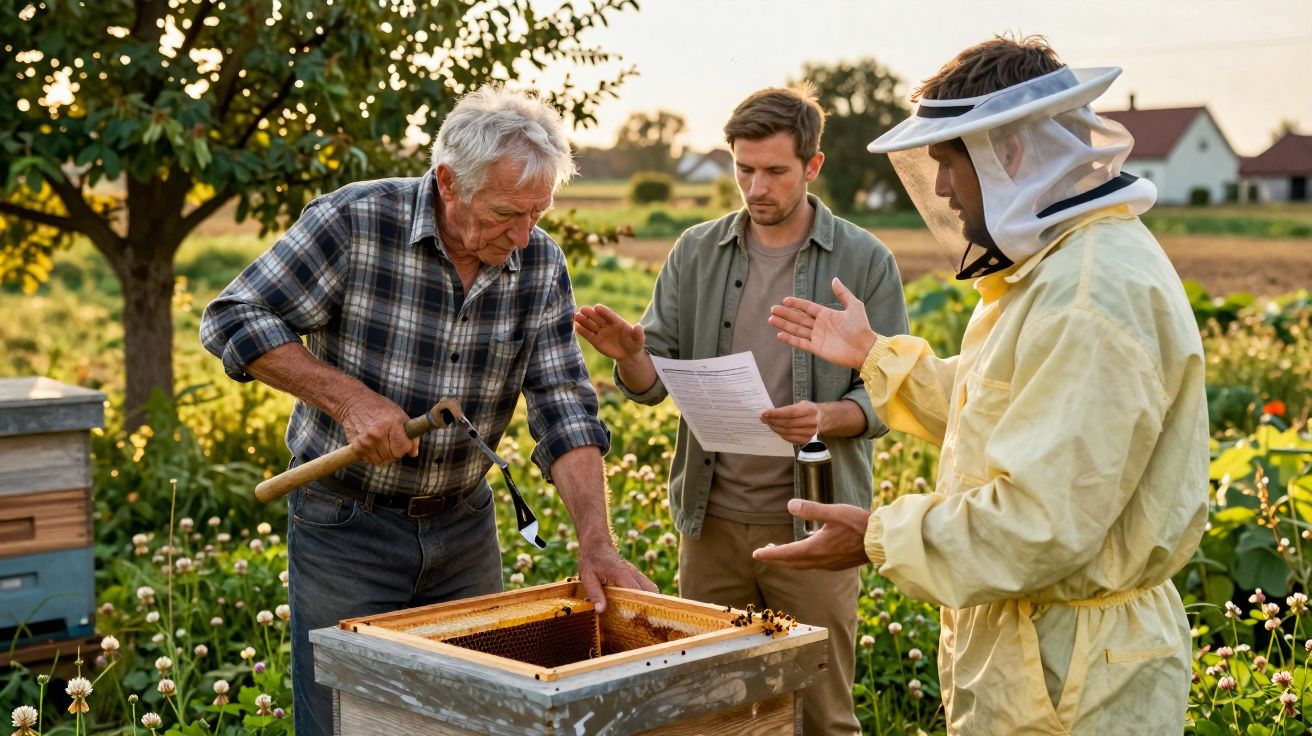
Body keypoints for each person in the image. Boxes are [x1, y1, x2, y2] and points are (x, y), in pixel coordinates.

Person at [755, 36, 1209, 734]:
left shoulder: (1087, 298)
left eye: (948, 163)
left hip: (1074, 683)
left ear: (1010, 153)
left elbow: (1040, 521)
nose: (939, 189)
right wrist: (875, 354)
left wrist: (878, 537)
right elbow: (1003, 412)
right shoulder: (1056, 270)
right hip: (1042, 656)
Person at [200, 87, 655, 735]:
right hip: (346, 527)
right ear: (448, 182)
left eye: (538, 213)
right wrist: (348, 400)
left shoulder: (539, 262)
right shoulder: (354, 223)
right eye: (506, 213)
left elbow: (564, 408)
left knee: (470, 717)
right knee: (345, 717)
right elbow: (233, 318)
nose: (524, 234)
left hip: (464, 529)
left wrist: (596, 542)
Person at [575, 85, 908, 735]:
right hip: (711, 525)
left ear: (812, 167)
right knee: (706, 712)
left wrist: (825, 417)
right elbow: (652, 380)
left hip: (815, 524)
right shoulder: (695, 251)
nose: (756, 187)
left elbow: (891, 393)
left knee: (821, 715)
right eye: (743, 169)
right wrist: (630, 357)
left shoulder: (865, 260)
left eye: (775, 171)